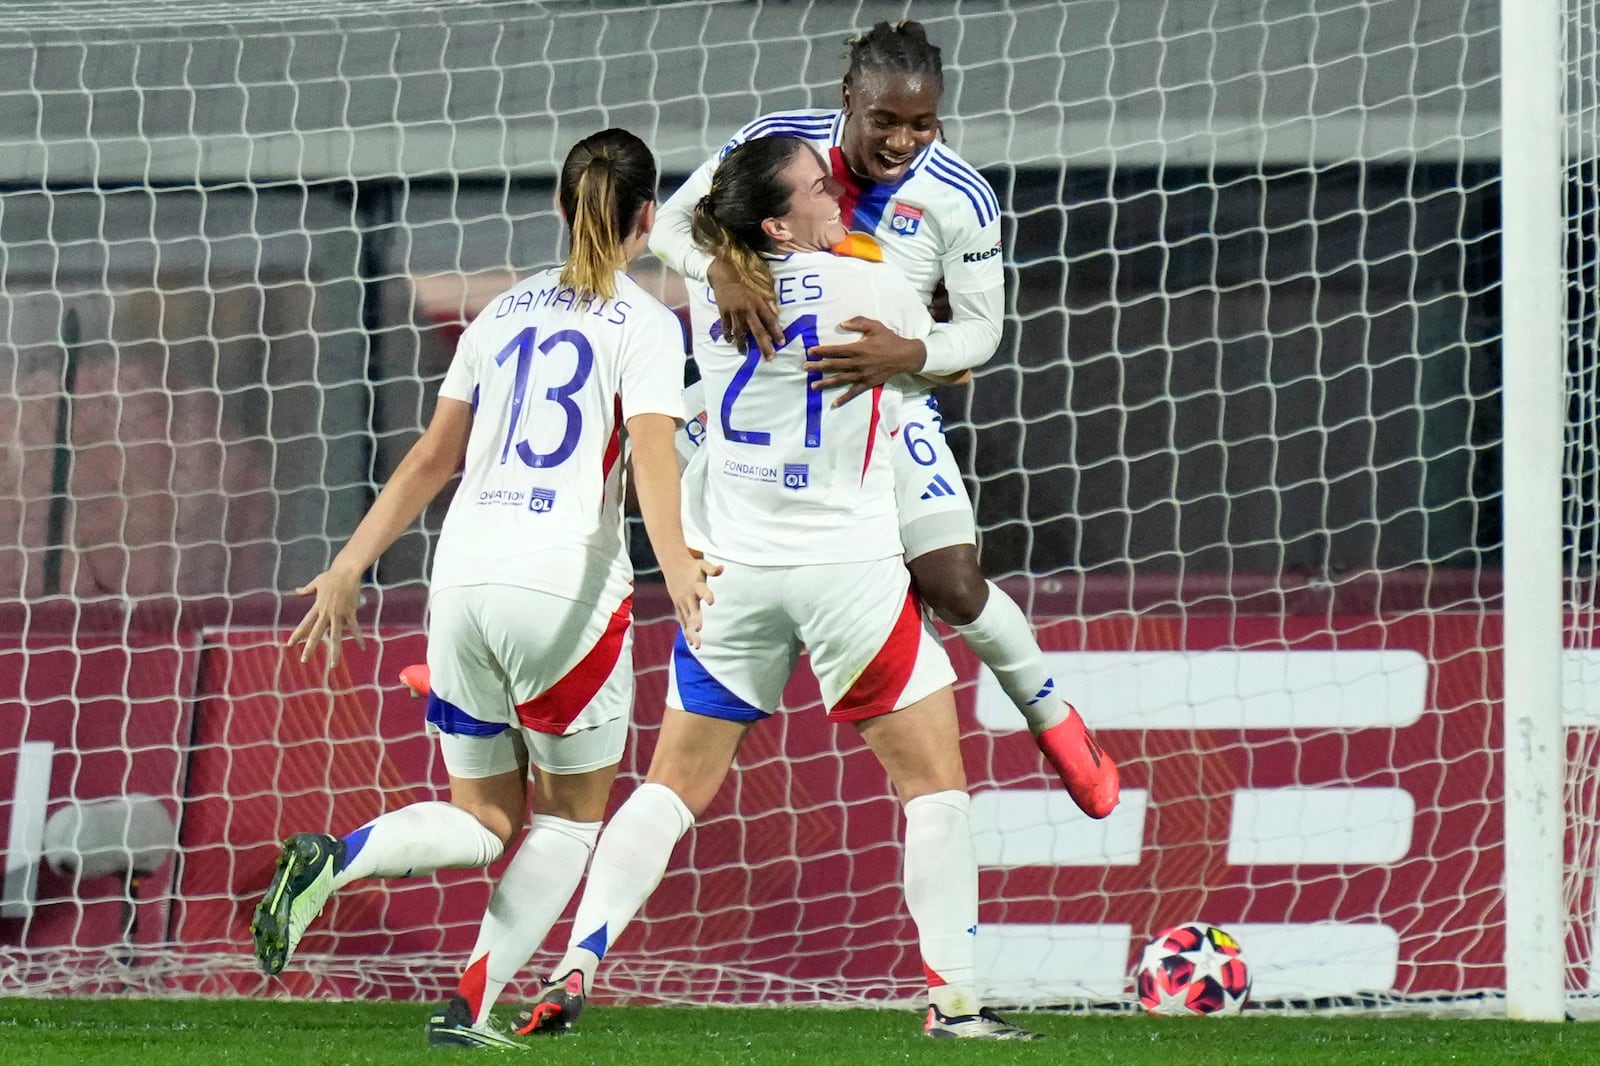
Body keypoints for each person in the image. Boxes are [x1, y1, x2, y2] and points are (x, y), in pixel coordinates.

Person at [513, 135, 1039, 1041]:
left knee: (671, 785)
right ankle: (955, 1003)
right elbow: (950, 358)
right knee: (934, 788)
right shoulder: (872, 288)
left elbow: (713, 276)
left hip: (735, 576)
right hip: (849, 577)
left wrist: (724, 264)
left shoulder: (708, 307)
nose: (835, 191)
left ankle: (576, 963)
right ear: (774, 220)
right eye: (812, 187)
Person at [247, 128, 717, 1049]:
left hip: (458, 579)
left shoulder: (501, 314)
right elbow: (655, 459)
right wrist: (681, 563)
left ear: (557, 208)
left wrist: (349, 563)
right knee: (571, 823)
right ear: (648, 220)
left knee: (484, 816)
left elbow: (431, 457)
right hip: (565, 591)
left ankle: (336, 860)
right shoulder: (649, 325)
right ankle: (468, 1004)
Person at [643, 21, 1119, 821]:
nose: (903, 140)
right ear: (846, 105)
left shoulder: (959, 198)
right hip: (763, 392)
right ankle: (494, 663)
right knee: (624, 475)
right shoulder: (775, 145)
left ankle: (1053, 718)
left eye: (922, 123)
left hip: (882, 403)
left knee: (952, 583)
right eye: (884, 121)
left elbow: (980, 332)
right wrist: (716, 264)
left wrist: (908, 353)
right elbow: (668, 226)